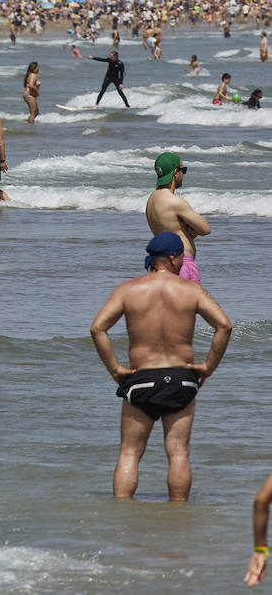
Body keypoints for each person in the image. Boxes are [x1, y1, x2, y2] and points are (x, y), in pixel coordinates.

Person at [89, 232, 232, 501]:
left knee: (130, 451)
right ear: (174, 258)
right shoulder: (192, 291)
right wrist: (208, 367)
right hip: (182, 379)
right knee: (178, 451)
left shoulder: (128, 290)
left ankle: (123, 514)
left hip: (141, 379)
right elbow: (224, 326)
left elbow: (98, 328)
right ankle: (177, 513)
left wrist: (116, 370)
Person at [145, 152, 209, 283]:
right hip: (181, 263)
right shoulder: (174, 201)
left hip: (162, 263)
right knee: (189, 302)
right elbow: (205, 228)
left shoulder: (151, 200)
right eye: (183, 170)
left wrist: (188, 232)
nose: (183, 174)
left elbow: (171, 228)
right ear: (175, 172)